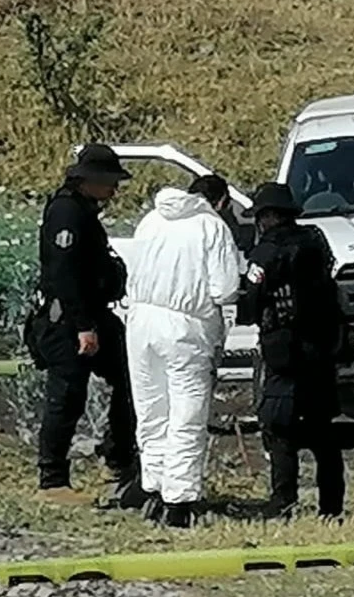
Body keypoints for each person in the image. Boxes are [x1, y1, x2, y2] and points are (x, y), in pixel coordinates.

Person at [125, 175, 244, 527]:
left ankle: (153, 486)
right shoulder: (212, 227)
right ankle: (178, 501)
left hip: (140, 321)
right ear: (221, 201)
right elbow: (224, 288)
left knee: (151, 410)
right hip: (186, 326)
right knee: (186, 414)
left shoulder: (151, 220)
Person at [26, 143, 141, 506]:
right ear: (89, 179)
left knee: (130, 375)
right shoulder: (66, 213)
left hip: (90, 314)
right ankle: (52, 480)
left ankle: (118, 456)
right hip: (70, 321)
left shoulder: (82, 211)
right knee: (66, 397)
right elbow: (65, 276)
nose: (115, 190)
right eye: (110, 182)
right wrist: (83, 326)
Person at [239, 182, 350, 520]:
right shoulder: (315, 241)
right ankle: (331, 507)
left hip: (284, 350)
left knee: (280, 427)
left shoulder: (264, 254)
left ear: (268, 217)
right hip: (322, 347)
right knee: (323, 432)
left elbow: (250, 306)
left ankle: (283, 502)